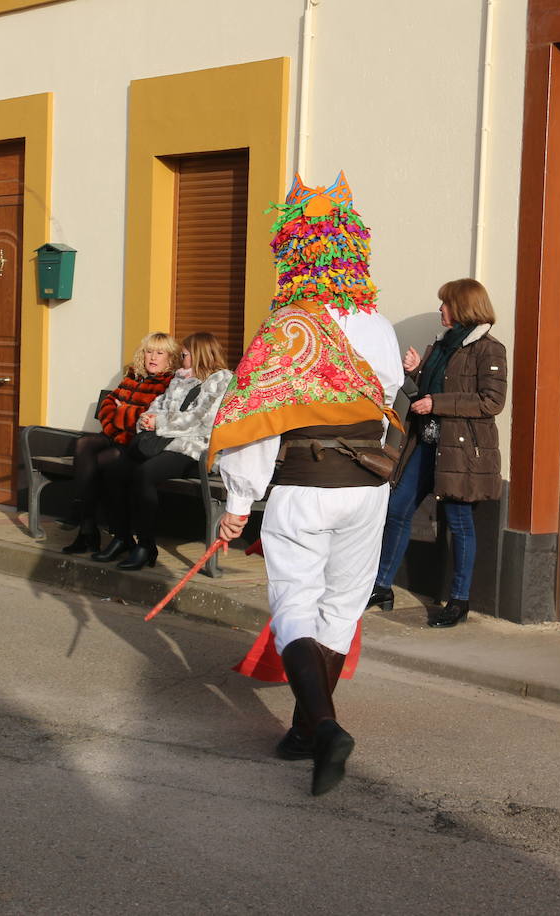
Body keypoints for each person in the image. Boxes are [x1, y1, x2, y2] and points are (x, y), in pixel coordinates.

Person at [214, 173, 402, 796]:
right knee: (341, 608)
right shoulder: (376, 325)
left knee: (295, 603)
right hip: (369, 484)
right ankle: (304, 728)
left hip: (303, 487)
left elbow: (253, 422)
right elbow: (383, 400)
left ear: (291, 252)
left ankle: (322, 726)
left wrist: (238, 503)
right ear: (351, 250)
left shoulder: (284, 330)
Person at [367, 278, 507, 628]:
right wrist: (415, 372)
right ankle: (382, 587)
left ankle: (458, 600)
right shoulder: (441, 345)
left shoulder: (489, 349)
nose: (440, 310)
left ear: (462, 307)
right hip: (426, 445)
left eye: (445, 304)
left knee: (459, 524)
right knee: (397, 511)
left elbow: (492, 402)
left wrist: (437, 402)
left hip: (460, 453)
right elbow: (421, 397)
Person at [93, 332, 232, 570]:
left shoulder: (221, 380)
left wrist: (159, 423)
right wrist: (147, 419)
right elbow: (158, 405)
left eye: (185, 354)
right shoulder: (180, 378)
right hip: (164, 442)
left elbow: (202, 421)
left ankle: (146, 546)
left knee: (145, 474)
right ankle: (122, 537)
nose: (181, 357)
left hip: (195, 449)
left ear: (198, 355)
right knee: (115, 470)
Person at [60, 332, 180, 555]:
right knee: (84, 445)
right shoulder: (134, 375)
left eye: (159, 353)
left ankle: (96, 531)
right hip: (118, 437)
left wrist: (121, 411)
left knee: (104, 461)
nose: (152, 357)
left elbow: (147, 419)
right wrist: (121, 419)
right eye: (149, 351)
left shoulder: (170, 382)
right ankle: (89, 528)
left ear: (170, 358)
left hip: (138, 444)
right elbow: (107, 405)